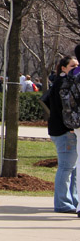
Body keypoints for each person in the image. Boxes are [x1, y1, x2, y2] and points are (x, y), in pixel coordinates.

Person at [40, 55, 79, 213]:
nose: (76, 68)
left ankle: (73, 199)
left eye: (77, 66)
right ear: (63, 68)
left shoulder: (61, 82)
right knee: (66, 168)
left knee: (73, 169)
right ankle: (63, 203)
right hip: (65, 131)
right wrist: (71, 127)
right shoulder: (64, 84)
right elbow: (65, 109)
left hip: (63, 130)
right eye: (72, 66)